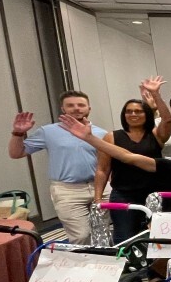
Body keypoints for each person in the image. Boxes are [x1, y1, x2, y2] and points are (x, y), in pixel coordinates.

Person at [59, 115, 171, 282]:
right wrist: (90, 138)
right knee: (162, 272)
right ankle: (159, 264)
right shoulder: (169, 166)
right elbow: (128, 157)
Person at [8, 91, 107, 244]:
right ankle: (82, 265)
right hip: (68, 190)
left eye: (81, 105)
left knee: (102, 231)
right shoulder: (48, 132)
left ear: (89, 108)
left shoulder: (101, 133)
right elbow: (16, 153)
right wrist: (18, 133)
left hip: (101, 187)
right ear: (62, 109)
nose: (76, 108)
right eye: (70, 105)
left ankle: (106, 265)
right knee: (81, 235)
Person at [93, 77, 171, 243]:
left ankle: (154, 268)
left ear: (147, 114)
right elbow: (102, 169)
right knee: (125, 237)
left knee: (157, 236)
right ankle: (128, 268)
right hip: (124, 194)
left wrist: (155, 95)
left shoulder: (156, 135)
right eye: (129, 111)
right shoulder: (111, 136)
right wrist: (98, 198)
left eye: (138, 111)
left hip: (154, 193)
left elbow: (167, 119)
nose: (133, 114)